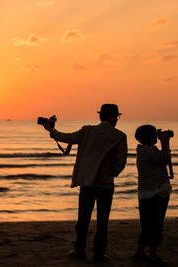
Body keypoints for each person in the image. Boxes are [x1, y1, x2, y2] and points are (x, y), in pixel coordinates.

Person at [42, 104, 128, 262]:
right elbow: (121, 162)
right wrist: (111, 173)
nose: (117, 119)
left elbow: (67, 137)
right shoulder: (119, 136)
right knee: (103, 220)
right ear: (112, 117)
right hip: (106, 184)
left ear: (100, 116)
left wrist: (51, 131)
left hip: (87, 182)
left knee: (83, 218)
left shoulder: (87, 130)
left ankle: (79, 249)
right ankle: (99, 253)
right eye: (116, 116)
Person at [133, 125, 172, 266]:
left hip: (146, 193)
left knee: (147, 225)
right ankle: (153, 255)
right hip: (156, 192)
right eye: (155, 135)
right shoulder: (149, 150)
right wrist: (165, 144)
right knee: (156, 225)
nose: (157, 136)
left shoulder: (141, 150)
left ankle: (140, 253)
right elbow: (165, 158)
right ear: (150, 137)